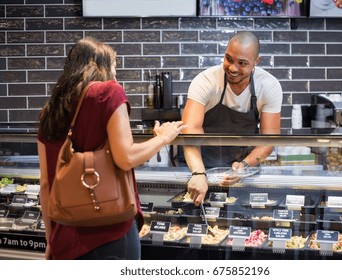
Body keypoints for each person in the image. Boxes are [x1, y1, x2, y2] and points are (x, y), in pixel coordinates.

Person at [37, 37, 186, 260]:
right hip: (109, 234)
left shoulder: (50, 110)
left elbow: (46, 184)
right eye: (114, 68)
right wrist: (163, 138)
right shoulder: (108, 93)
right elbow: (126, 157)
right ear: (99, 66)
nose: (115, 76)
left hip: (64, 238)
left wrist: (52, 240)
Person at [182, 31, 283, 206]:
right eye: (229, 59)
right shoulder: (206, 81)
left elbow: (268, 141)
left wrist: (244, 167)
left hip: (244, 170)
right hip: (203, 170)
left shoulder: (268, 86)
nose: (233, 68)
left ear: (256, 62)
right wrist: (198, 173)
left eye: (242, 63)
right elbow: (190, 132)